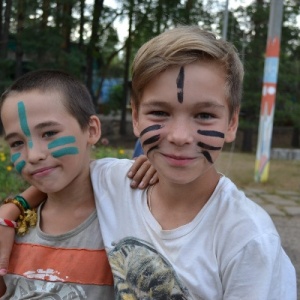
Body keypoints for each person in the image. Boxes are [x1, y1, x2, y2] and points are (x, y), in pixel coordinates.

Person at [0, 26, 297, 299]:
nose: (180, 137)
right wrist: (12, 211)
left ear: (232, 122)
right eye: (160, 113)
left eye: (204, 115)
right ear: (136, 116)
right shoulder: (116, 181)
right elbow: (59, 175)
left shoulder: (248, 240)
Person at [0, 70, 155, 298]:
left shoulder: (129, 210)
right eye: (16, 143)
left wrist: (161, 170)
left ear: (91, 130)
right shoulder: (13, 230)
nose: (33, 155)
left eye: (49, 133)